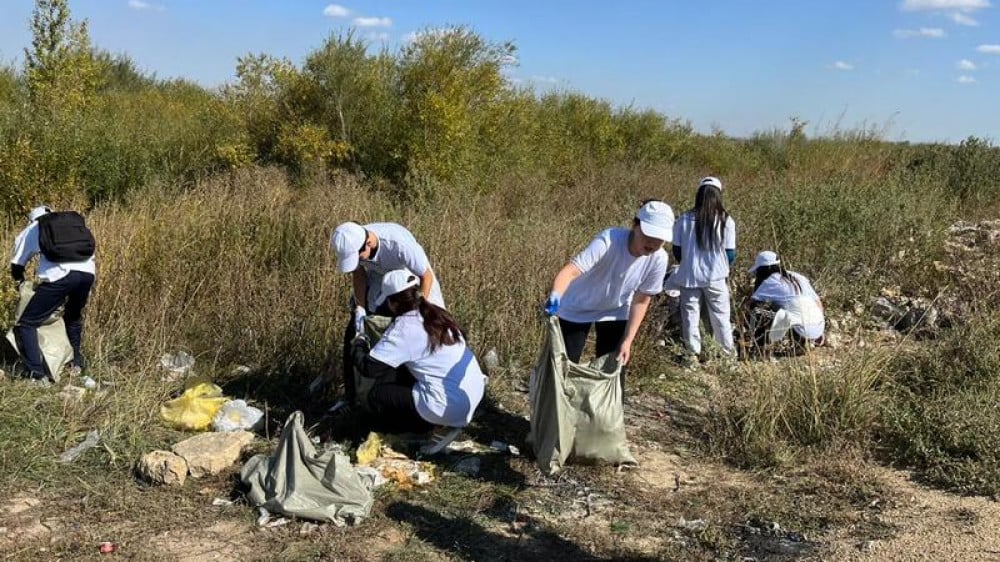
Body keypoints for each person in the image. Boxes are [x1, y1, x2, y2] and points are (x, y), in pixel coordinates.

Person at [544, 200, 673, 383]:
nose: (652, 243)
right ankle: (555, 410)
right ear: (635, 226)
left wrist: (628, 340)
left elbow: (641, 300)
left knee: (613, 371)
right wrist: (556, 294)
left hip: (615, 310)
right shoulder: (610, 240)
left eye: (659, 239)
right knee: (562, 369)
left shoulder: (659, 259)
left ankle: (605, 411)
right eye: (649, 235)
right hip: (577, 307)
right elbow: (571, 271)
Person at [362, 269, 486, 453]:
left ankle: (417, 429)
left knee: (377, 396)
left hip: (448, 405)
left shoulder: (405, 327)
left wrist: (359, 340)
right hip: (473, 393)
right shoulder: (436, 312)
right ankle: (430, 422)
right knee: (405, 370)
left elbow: (369, 368)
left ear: (393, 303)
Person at [330, 221, 444, 407]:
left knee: (419, 332)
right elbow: (359, 275)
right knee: (356, 329)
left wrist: (418, 312)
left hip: (409, 282)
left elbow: (426, 276)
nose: (358, 259)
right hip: (379, 282)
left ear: (368, 243)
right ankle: (352, 397)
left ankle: (410, 388)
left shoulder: (398, 244)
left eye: (359, 255)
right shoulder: (353, 242)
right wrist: (360, 308)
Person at [9, 205, 96, 385]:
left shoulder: (35, 227)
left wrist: (21, 283)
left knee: (26, 323)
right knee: (72, 317)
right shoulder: (71, 225)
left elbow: (17, 264)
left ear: (32, 219)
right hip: (87, 274)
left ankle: (37, 375)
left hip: (60, 276)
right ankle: (75, 364)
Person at [670, 176, 737, 358]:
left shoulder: (683, 220)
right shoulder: (725, 220)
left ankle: (692, 355)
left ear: (699, 194)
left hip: (689, 276)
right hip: (716, 277)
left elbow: (677, 250)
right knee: (721, 317)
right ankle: (727, 355)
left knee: (690, 317)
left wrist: (689, 263)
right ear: (719, 195)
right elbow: (730, 254)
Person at [746, 250, 825, 351]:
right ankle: (802, 343)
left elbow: (750, 304)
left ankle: (757, 343)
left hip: (801, 327)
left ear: (763, 269)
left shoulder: (770, 281)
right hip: (818, 325)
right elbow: (818, 303)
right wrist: (820, 330)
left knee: (756, 310)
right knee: (790, 310)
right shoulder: (798, 277)